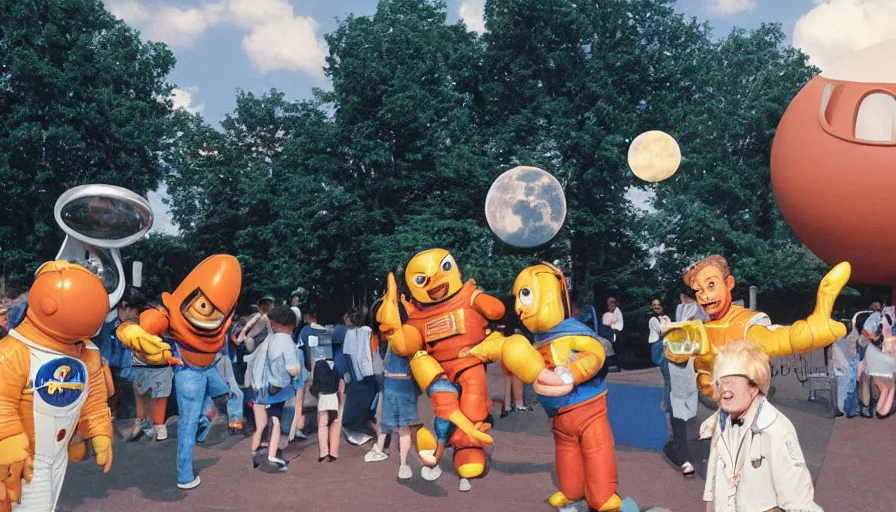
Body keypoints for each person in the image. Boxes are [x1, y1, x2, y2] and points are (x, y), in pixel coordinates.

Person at [663, 254, 850, 396]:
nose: (704, 295)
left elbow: (782, 339)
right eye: (698, 290)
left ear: (728, 283)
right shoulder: (702, 329)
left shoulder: (745, 325)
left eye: (711, 284)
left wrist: (811, 332)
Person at [701, 339, 822, 511]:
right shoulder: (721, 422)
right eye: (720, 381)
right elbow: (712, 483)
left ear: (754, 386)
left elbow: (798, 502)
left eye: (732, 380)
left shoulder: (777, 429)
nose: (723, 389)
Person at [248, 306, 303, 472]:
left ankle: (255, 453)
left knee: (262, 425)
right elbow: (292, 367)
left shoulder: (268, 340)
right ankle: (271, 455)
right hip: (276, 389)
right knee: (275, 421)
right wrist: (296, 371)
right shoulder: (284, 340)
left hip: (259, 387)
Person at [94, 287, 146, 420]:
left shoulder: (134, 326)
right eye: (137, 310)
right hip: (102, 373)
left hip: (123, 376)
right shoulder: (104, 320)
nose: (138, 315)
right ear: (124, 305)